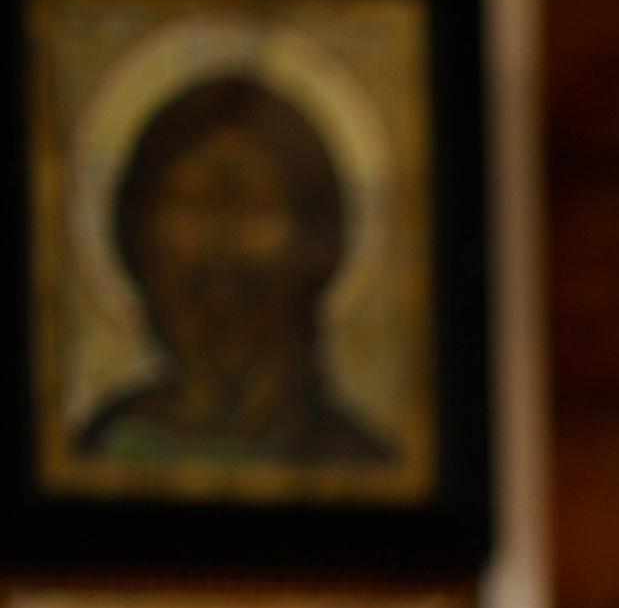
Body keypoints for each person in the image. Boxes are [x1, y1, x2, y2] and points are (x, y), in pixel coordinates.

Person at [77, 76, 393, 473]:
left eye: (256, 205)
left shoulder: (355, 462)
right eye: (192, 204)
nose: (221, 239)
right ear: (141, 238)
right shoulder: (104, 447)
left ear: (314, 243)